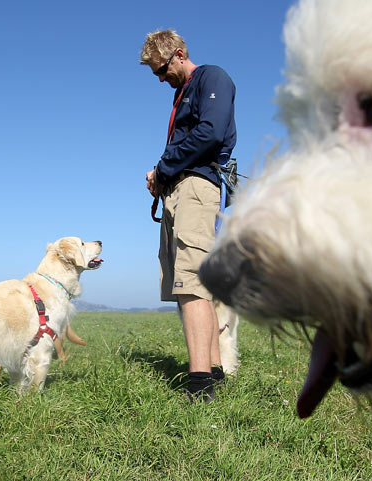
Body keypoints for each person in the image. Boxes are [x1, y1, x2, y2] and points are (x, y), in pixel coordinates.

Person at [140, 29, 237, 401]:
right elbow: (190, 140)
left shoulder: (212, 77)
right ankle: (212, 371)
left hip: (196, 188)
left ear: (179, 54)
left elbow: (210, 133)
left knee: (191, 283)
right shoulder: (184, 92)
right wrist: (162, 174)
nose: (161, 79)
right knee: (192, 283)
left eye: (161, 70)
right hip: (181, 188)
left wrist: (163, 168)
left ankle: (200, 385)